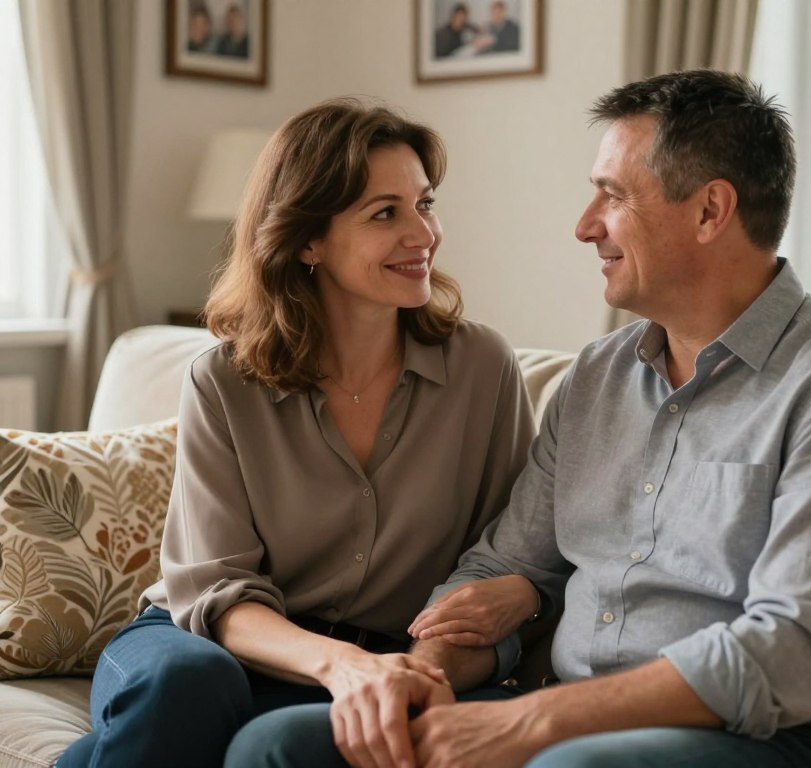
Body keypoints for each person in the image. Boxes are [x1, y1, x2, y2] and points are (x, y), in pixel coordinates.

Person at [225, 70, 811, 768]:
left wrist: (531, 722)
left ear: (709, 211)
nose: (584, 226)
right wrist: (423, 677)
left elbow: (792, 653)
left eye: (612, 196)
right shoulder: (598, 375)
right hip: (567, 716)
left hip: (776, 740)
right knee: (279, 745)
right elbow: (506, 564)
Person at [54, 98, 535, 768]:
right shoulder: (223, 381)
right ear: (308, 239)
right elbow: (217, 592)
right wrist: (341, 666)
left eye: (424, 204)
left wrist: (401, 669)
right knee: (185, 686)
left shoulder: (483, 369)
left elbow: (500, 561)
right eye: (385, 213)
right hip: (206, 641)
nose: (423, 233)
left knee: (269, 743)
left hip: (374, 659)